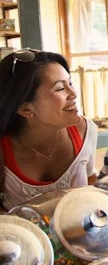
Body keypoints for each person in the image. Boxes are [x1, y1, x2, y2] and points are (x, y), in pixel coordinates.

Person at [0, 48, 98, 211]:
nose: (73, 94)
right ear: (25, 109)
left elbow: (91, 180)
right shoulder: (3, 148)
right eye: (60, 88)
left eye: (70, 83)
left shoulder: (85, 131)